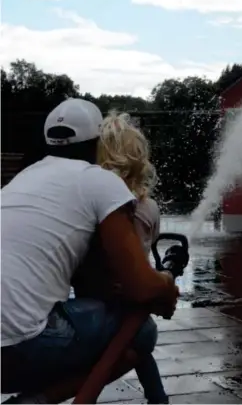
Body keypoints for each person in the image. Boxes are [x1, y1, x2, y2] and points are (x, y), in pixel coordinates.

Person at [1, 99, 178, 404]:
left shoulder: (22, 179)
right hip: (20, 348)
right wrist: (166, 285)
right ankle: (34, 402)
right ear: (96, 142)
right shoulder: (99, 181)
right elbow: (141, 287)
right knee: (141, 331)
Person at [72, 111, 168, 404]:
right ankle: (158, 398)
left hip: (95, 295)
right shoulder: (148, 207)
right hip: (134, 298)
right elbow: (148, 246)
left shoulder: (89, 203)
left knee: (118, 348)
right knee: (135, 341)